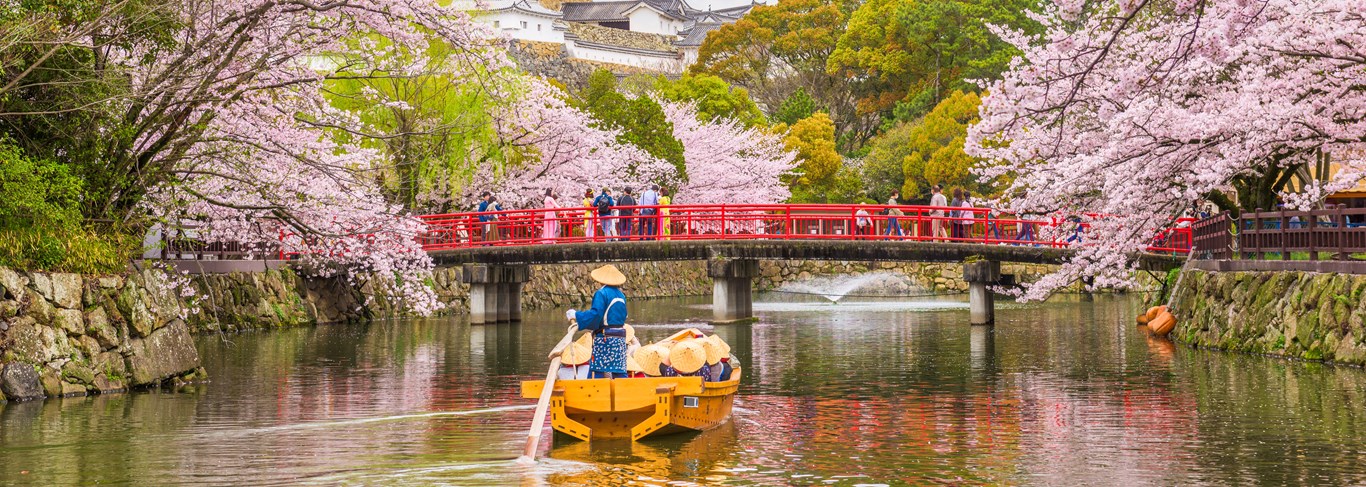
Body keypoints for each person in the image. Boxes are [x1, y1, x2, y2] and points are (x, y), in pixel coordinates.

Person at [566, 265, 630, 379]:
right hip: (620, 338)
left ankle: (592, 389)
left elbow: (595, 315)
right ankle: (624, 389)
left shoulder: (601, 293)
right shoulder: (621, 295)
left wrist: (576, 315)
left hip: (605, 338)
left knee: (597, 371)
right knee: (619, 371)